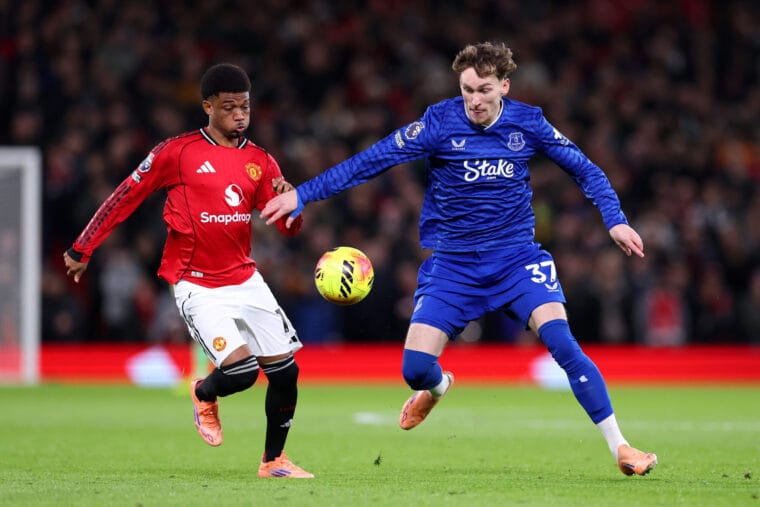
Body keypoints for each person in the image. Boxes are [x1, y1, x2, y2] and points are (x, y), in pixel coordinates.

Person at [261, 42, 657, 476]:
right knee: (415, 370)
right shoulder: (439, 122)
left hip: (516, 261)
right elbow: (373, 160)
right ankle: (437, 387)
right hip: (453, 266)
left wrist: (615, 220)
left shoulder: (529, 123)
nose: (475, 100)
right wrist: (304, 194)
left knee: (563, 344)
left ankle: (622, 447)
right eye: (467, 90)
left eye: (484, 90)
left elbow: (585, 168)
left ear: (504, 87)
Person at [64, 63, 313, 478]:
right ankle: (203, 392)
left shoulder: (261, 161)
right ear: (207, 107)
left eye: (245, 106)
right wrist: (83, 245)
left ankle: (273, 461)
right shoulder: (176, 153)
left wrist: (293, 207)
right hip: (197, 284)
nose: (239, 115)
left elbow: (287, 227)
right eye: (229, 107)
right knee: (242, 372)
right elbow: (126, 195)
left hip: (245, 279)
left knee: (286, 373)